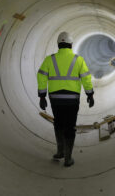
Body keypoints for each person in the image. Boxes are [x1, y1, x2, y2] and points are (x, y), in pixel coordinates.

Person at [37, 32, 94, 167]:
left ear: (58, 45)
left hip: (55, 99)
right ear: (71, 45)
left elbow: (41, 76)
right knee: (69, 126)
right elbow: (86, 78)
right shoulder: (78, 60)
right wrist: (90, 94)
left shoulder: (49, 59)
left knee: (58, 123)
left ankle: (60, 151)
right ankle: (68, 158)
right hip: (72, 99)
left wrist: (42, 96)